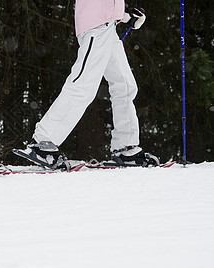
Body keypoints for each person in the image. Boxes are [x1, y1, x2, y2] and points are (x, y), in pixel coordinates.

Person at [14, 0, 159, 169]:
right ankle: (44, 143)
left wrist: (125, 13)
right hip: (96, 26)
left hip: (107, 26)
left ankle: (126, 148)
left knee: (125, 86)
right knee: (83, 86)